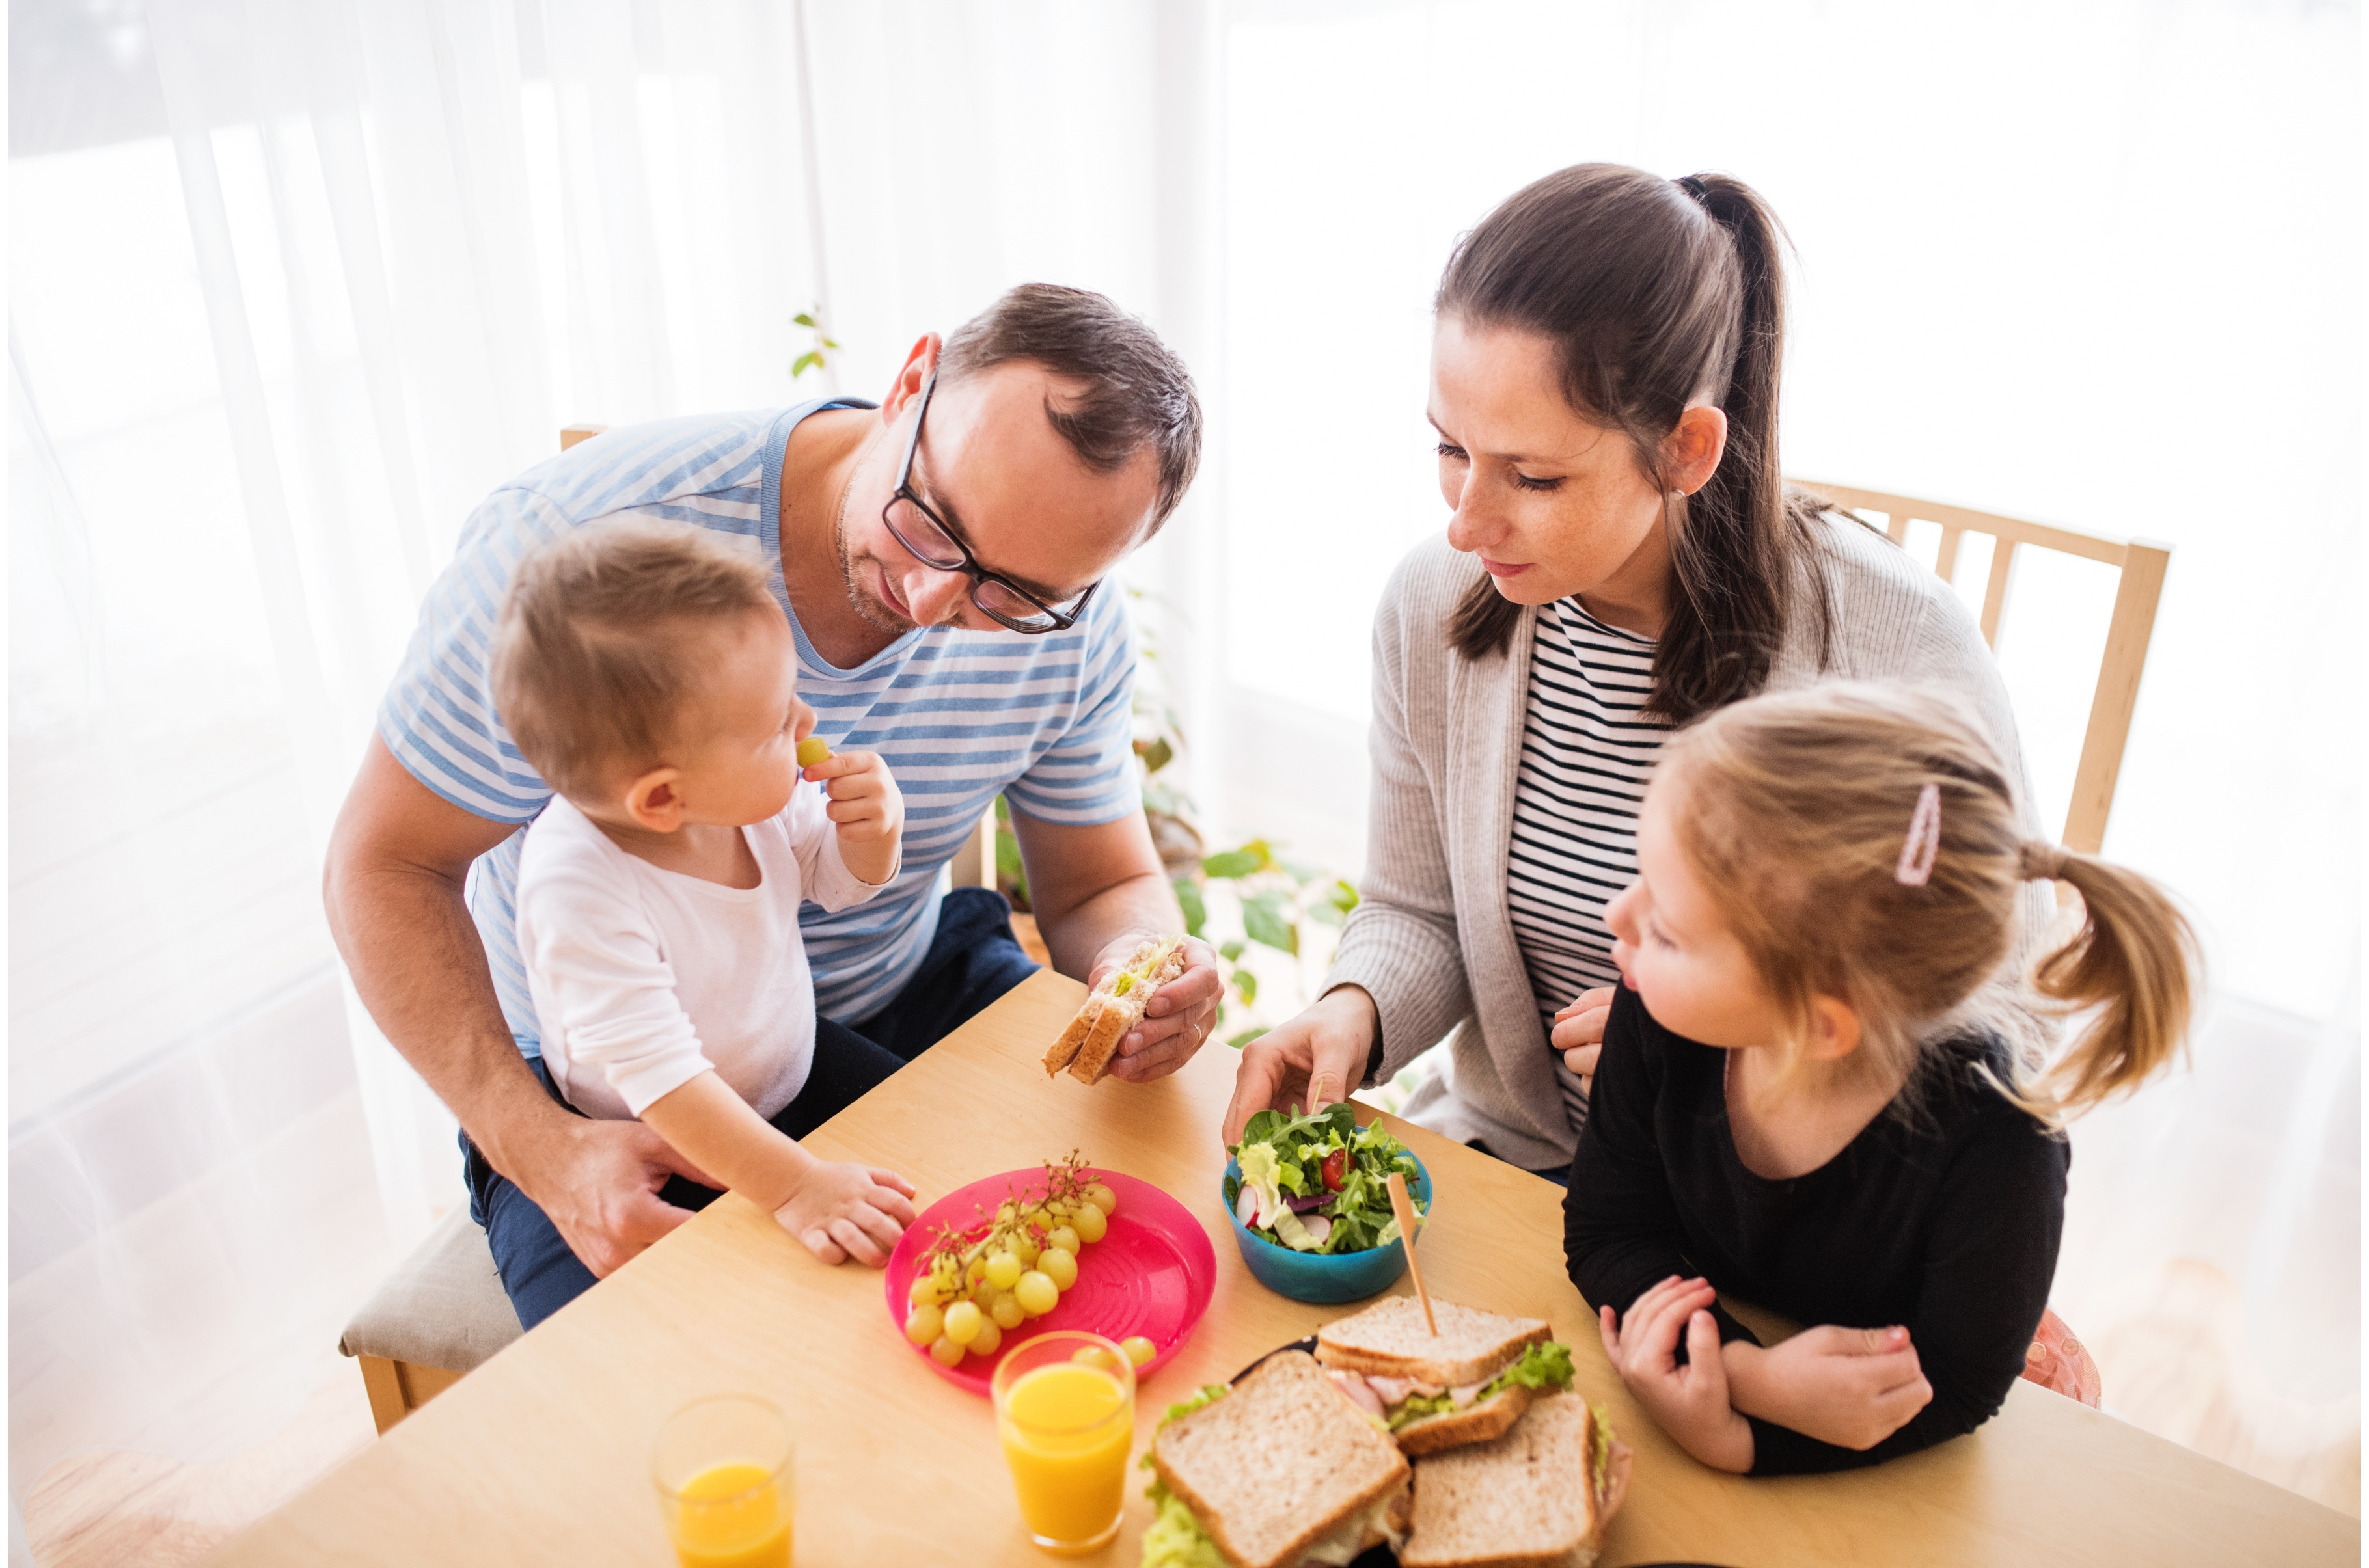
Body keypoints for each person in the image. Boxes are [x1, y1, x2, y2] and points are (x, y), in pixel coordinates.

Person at [325, 284, 1221, 1321]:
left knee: (1124, 1244)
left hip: (891, 988)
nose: (931, 600)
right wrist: (544, 1149)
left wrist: (1146, 962)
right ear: (909, 384)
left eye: (1014, 593)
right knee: (684, 1364)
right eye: (932, 519)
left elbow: (1101, 883)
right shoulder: (577, 568)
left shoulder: (1073, 624)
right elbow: (381, 865)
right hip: (611, 1084)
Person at [1222, 164, 2050, 1175]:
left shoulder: (1893, 641)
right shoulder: (1432, 605)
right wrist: (1355, 1008)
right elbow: (1420, 909)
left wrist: (1720, 1056)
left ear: (1686, 449)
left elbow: (2000, 1018)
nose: (1466, 524)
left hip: (1779, 1209)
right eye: (1450, 448)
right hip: (1518, 1160)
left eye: (1534, 476)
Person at [1567, 683, 2196, 1473]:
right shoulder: (1659, 1008)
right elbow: (1608, 1229)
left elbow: (1955, 1387)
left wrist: (1748, 1440)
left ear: (1820, 1025)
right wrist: (1741, 1372)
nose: (1617, 917)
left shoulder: (2003, 1152)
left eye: (1665, 928)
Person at [499, 521, 918, 1296]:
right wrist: (796, 1186)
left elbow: (836, 884)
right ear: (664, 798)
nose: (806, 724)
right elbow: (664, 1081)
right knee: (720, 1303)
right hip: (666, 1134)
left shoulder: (750, 794)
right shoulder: (575, 885)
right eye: (775, 724)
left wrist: (874, 835)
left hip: (791, 1068)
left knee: (936, 1141)